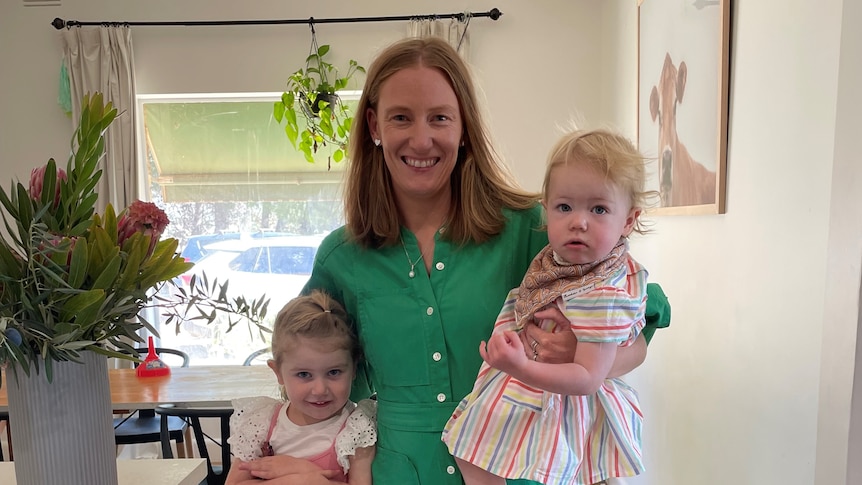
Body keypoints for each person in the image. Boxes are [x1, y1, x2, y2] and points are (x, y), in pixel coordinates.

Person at [303, 37, 670, 484]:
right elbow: (314, 376)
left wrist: (582, 357)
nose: (422, 138)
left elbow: (637, 321)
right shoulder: (342, 259)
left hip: (523, 467)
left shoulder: (534, 229)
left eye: (440, 117)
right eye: (402, 117)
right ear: (375, 126)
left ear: (464, 128)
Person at [442, 128, 653, 485]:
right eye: (564, 206)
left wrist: (520, 366)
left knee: (491, 448)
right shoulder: (561, 261)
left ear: (629, 220)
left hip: (567, 394)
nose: (578, 221)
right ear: (546, 210)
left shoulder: (603, 289)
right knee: (471, 448)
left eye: (599, 208)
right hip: (535, 381)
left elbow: (587, 378)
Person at [225, 289, 377, 485]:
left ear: (354, 368)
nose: (320, 389)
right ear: (278, 372)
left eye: (334, 372)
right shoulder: (261, 424)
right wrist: (297, 476)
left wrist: (304, 474)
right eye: (304, 375)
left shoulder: (357, 429)